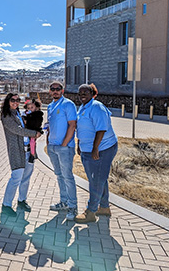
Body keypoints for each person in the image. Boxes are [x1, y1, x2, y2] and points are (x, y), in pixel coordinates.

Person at [74, 83, 118, 223]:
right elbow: (82, 128)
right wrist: (80, 144)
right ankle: (104, 207)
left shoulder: (96, 107)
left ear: (93, 93)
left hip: (103, 149)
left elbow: (101, 129)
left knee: (97, 181)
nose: (82, 95)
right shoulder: (83, 107)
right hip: (87, 149)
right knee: (98, 179)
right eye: (80, 93)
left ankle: (91, 212)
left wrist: (95, 148)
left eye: (85, 92)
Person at [0, 93, 41, 216]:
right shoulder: (6, 115)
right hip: (17, 150)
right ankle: (6, 205)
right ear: (8, 101)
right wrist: (34, 133)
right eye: (13, 100)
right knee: (16, 176)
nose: (15, 102)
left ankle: (22, 200)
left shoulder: (19, 113)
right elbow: (18, 130)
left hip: (28, 149)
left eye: (18, 100)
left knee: (26, 177)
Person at [46, 81, 78, 221]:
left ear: (62, 90)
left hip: (64, 148)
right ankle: (64, 202)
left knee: (67, 177)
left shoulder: (68, 104)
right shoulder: (50, 106)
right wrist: (48, 143)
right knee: (59, 175)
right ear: (49, 91)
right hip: (52, 147)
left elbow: (72, 125)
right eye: (52, 89)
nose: (55, 91)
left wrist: (64, 144)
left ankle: (72, 206)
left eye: (58, 89)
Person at [23, 98, 44, 163]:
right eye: (28, 108)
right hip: (29, 130)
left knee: (32, 142)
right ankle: (32, 152)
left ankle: (33, 154)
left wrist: (27, 120)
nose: (30, 109)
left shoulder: (37, 115)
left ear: (37, 108)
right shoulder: (29, 114)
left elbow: (34, 123)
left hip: (34, 130)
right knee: (30, 142)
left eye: (32, 107)